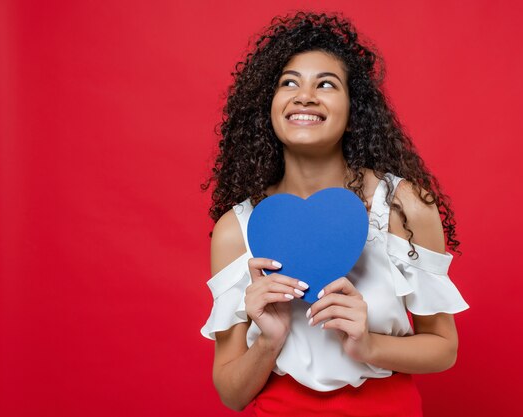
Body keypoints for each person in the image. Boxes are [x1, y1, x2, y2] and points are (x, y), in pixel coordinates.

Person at [200, 11, 470, 416]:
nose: (305, 95)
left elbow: (444, 348)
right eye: (288, 82)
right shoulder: (236, 229)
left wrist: (369, 345)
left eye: (326, 84)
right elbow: (231, 393)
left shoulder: (404, 207)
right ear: (267, 106)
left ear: (352, 108)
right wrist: (271, 340)